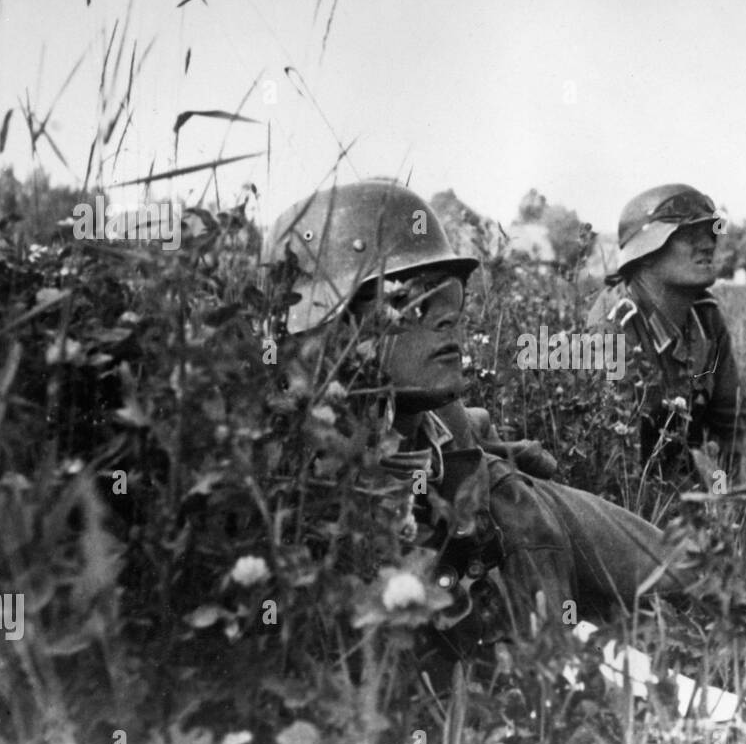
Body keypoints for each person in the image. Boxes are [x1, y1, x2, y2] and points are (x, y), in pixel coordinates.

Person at [267, 179, 695, 654]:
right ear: (329, 325)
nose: (449, 319)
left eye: (453, 297)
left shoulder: (450, 435)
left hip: (528, 535)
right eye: (414, 302)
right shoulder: (292, 485)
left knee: (693, 578)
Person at [585, 184, 746, 487]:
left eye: (711, 233)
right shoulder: (612, 328)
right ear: (646, 253)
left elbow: (733, 428)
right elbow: (618, 469)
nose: (707, 245)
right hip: (637, 500)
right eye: (689, 235)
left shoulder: (705, 317)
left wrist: (735, 504)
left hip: (686, 482)